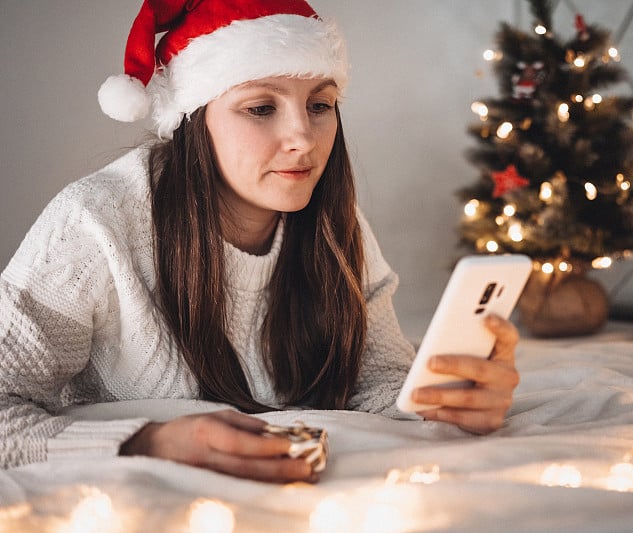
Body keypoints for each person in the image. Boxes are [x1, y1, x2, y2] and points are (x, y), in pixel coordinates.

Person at [0, 0, 520, 484]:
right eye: (260, 108)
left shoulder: (338, 224)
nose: (303, 137)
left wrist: (448, 401)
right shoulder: (93, 223)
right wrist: (148, 441)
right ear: (193, 119)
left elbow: (378, 381)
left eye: (321, 104)